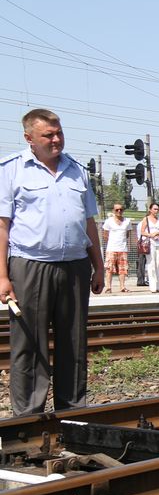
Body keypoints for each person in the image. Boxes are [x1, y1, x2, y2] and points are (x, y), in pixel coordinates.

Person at [0, 109, 104, 417]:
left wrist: (98, 265)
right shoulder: (11, 170)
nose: (56, 139)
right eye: (48, 135)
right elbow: (2, 226)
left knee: (74, 342)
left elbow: (89, 223)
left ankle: (72, 411)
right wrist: (2, 277)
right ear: (29, 138)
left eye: (59, 133)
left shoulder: (76, 170)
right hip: (30, 265)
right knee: (29, 345)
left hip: (75, 266)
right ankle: (29, 417)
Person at [101, 203, 132, 293]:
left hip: (123, 249)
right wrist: (111, 243)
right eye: (117, 210)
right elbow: (105, 235)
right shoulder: (109, 221)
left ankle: (122, 287)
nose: (119, 211)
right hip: (111, 248)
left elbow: (127, 234)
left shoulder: (127, 221)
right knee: (109, 268)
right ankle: (108, 287)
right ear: (113, 211)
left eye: (121, 209)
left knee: (123, 269)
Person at [138, 203, 159, 293]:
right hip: (150, 244)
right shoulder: (146, 219)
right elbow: (142, 231)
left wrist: (158, 233)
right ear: (150, 210)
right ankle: (153, 286)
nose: (156, 211)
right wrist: (151, 235)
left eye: (157, 209)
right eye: (154, 209)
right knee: (151, 264)